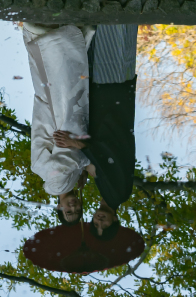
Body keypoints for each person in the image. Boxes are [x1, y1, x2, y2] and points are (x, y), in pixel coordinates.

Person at [53, 23, 138, 237]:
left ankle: (97, 14)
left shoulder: (106, 193)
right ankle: (116, 12)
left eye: (95, 226)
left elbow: (100, 164)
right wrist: (76, 144)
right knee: (114, 45)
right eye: (105, 226)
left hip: (106, 101)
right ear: (115, 220)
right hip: (112, 101)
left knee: (94, 47)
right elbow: (110, 157)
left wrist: (84, 168)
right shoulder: (118, 195)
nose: (99, 222)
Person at [21, 22, 93, 221]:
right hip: (66, 123)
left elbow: (67, 161)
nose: (73, 207)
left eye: (68, 211)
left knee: (62, 82)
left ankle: (52, 37)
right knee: (63, 79)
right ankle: (54, 36)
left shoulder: (56, 186)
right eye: (77, 211)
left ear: (59, 207)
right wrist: (81, 172)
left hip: (59, 124)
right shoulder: (71, 181)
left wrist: (85, 164)